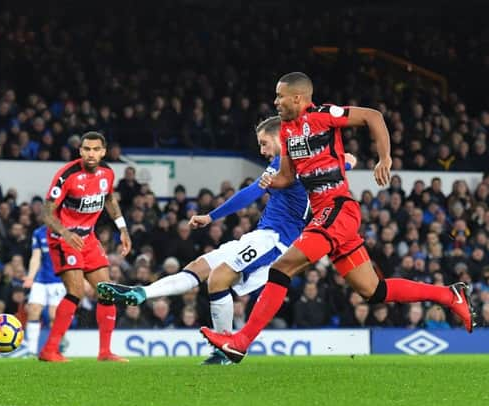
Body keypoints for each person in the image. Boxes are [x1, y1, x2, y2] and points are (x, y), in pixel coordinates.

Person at [200, 72, 476, 363]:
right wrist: (271, 182)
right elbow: (287, 177)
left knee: (282, 268)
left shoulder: (322, 115)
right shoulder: (286, 132)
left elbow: (373, 116)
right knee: (374, 290)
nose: (276, 101)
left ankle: (241, 342)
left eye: (280, 96)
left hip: (338, 208)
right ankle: (449, 296)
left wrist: (385, 158)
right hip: (327, 215)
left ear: (298, 97)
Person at [97, 116, 355, 364]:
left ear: (280, 137)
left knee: (219, 278)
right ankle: (142, 293)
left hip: (276, 241)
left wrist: (212, 217)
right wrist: (347, 162)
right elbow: (343, 162)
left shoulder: (284, 163)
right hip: (259, 236)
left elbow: (250, 193)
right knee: (199, 266)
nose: (262, 150)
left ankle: (225, 350)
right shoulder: (298, 162)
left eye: (264, 143)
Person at [38, 131, 132, 363]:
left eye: (95, 149)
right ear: (80, 151)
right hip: (64, 239)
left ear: (103, 151)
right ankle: (49, 350)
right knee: (76, 292)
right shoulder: (67, 175)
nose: (91, 154)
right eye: (86, 149)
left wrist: (122, 228)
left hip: (88, 239)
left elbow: (109, 199)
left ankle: (105, 352)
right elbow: (46, 213)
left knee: (107, 290)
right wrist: (65, 233)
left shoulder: (107, 173)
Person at [23, 223, 67, 356]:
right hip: (41, 280)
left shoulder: (67, 232)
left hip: (59, 280)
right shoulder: (39, 232)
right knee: (33, 310)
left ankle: (56, 347)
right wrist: (30, 277)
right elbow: (36, 257)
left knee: (54, 316)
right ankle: (31, 350)